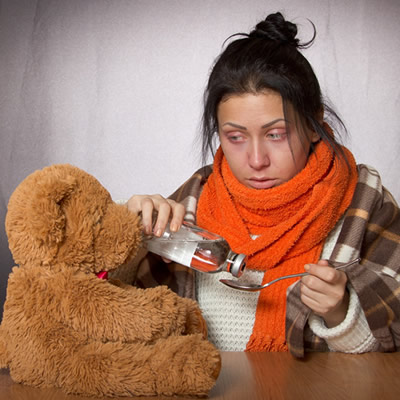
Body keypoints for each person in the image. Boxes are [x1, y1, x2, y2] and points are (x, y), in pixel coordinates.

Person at [126, 12, 400, 357]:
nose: (256, 160)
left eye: (276, 134)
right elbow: (114, 315)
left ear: (314, 125)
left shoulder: (364, 202)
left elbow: (392, 344)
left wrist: (341, 312)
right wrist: (127, 238)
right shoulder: (194, 199)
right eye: (236, 137)